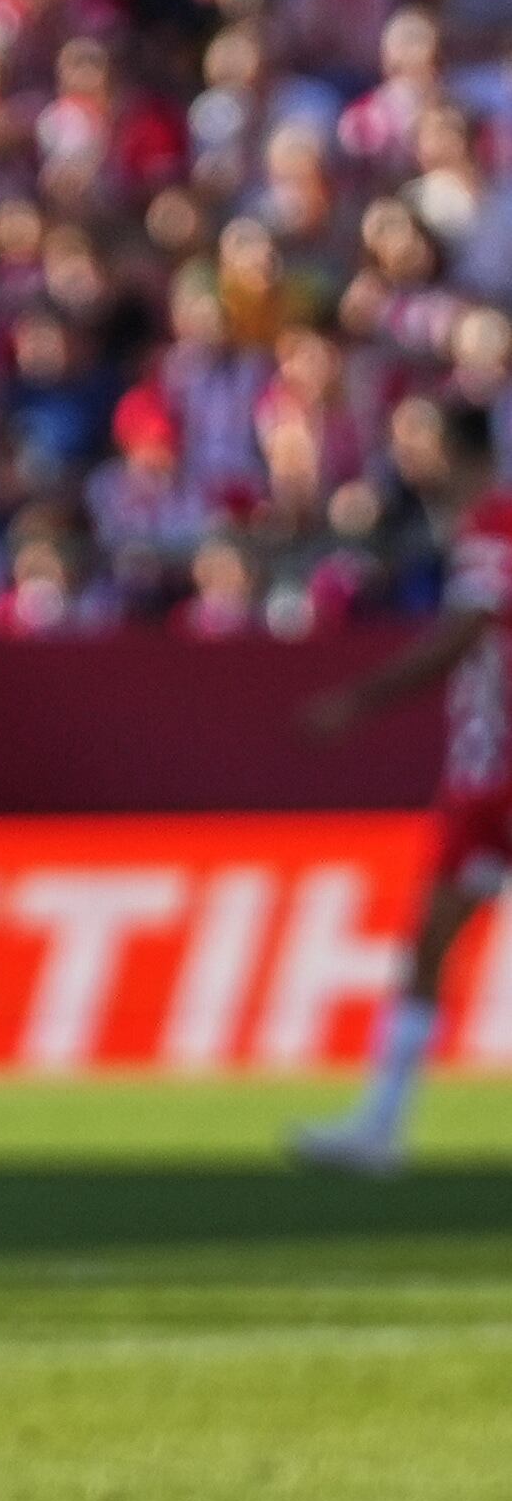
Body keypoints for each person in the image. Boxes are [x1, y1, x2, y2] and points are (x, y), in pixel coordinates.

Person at [289, 501, 510, 1172]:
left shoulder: (495, 520)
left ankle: (381, 1122)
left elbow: (466, 629)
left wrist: (359, 700)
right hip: (484, 771)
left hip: (495, 771)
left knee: (431, 942)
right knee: (429, 942)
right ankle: (381, 1123)